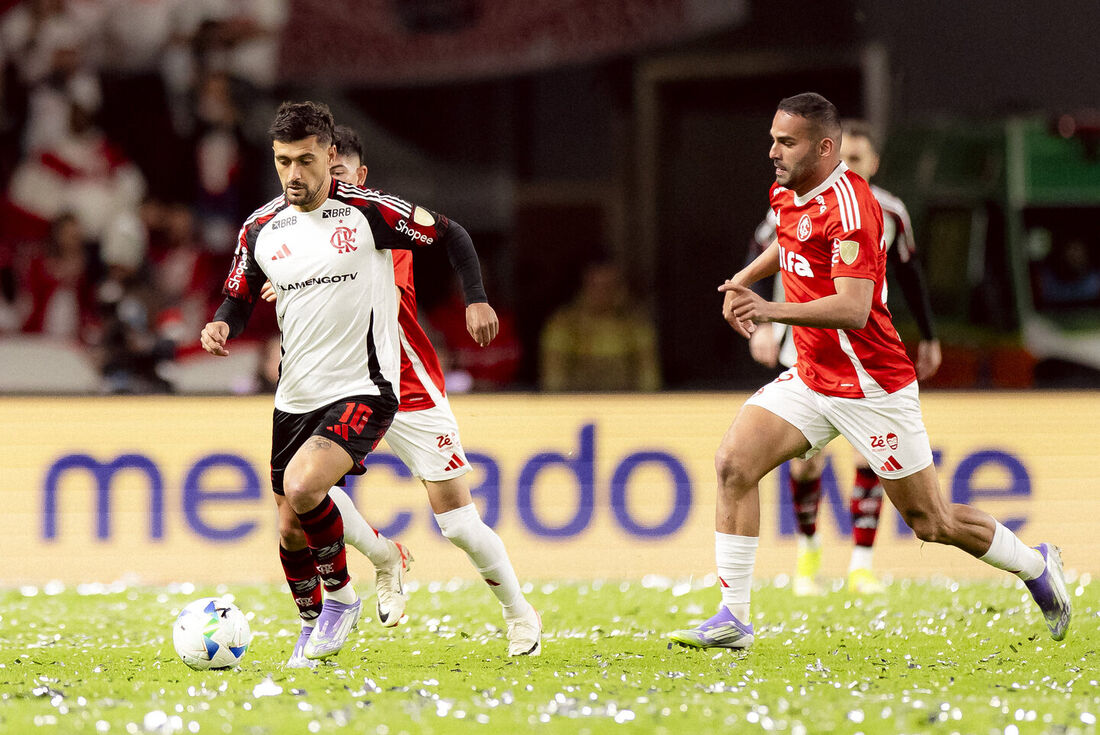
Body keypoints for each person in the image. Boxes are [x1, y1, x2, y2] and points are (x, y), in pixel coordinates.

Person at [668, 92, 1070, 651]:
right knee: (734, 464)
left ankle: (1035, 564)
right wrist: (744, 279)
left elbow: (853, 308)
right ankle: (733, 618)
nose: (773, 152)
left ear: (824, 148)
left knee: (931, 521)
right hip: (813, 375)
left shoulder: (855, 208)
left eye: (786, 142)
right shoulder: (788, 189)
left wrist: (769, 309)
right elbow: (789, 240)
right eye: (773, 140)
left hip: (871, 383)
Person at [199, 102, 508, 664]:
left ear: (330, 155)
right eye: (283, 162)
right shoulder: (260, 227)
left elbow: (452, 233)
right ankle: (313, 620)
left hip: (364, 387)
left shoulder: (370, 212)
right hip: (296, 394)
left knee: (304, 488)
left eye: (306, 160)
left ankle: (342, 599)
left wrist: (476, 299)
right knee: (290, 529)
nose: (294, 173)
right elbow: (239, 294)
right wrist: (223, 322)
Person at [258, 124, 541, 658]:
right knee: (306, 490)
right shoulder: (296, 227)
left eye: (338, 175)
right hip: (341, 386)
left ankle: (519, 611)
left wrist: (475, 296)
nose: (326, 187)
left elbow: (427, 241)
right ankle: (385, 557)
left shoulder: (378, 221)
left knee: (458, 523)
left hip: (406, 383)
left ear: (360, 177)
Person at [745, 119, 942, 596]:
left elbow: (909, 274)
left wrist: (929, 336)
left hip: (863, 355)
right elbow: (766, 247)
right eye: (841, 158)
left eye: (855, 160)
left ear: (873, 163)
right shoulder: (796, 199)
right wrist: (763, 320)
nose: (846, 168)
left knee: (869, 457)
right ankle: (808, 553)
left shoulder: (888, 211)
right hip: (804, 348)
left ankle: (861, 564)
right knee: (803, 464)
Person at [538, 260, 661, 392]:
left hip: (625, 400)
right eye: (595, 286)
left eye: (609, 287)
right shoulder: (564, 324)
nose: (601, 293)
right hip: (578, 401)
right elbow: (553, 380)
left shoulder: (636, 325)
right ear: (583, 287)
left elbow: (649, 378)